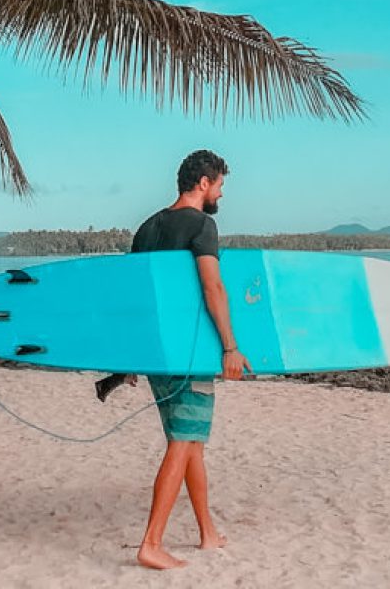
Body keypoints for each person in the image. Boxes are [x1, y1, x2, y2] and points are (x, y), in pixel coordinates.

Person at [117, 149, 251, 571]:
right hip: (189, 354)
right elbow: (213, 288)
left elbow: (138, 297)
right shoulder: (201, 225)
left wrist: (131, 357)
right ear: (204, 183)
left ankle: (207, 532)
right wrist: (230, 347)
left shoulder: (147, 228)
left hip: (157, 354)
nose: (221, 195)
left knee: (189, 440)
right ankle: (151, 543)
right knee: (182, 442)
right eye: (221, 186)